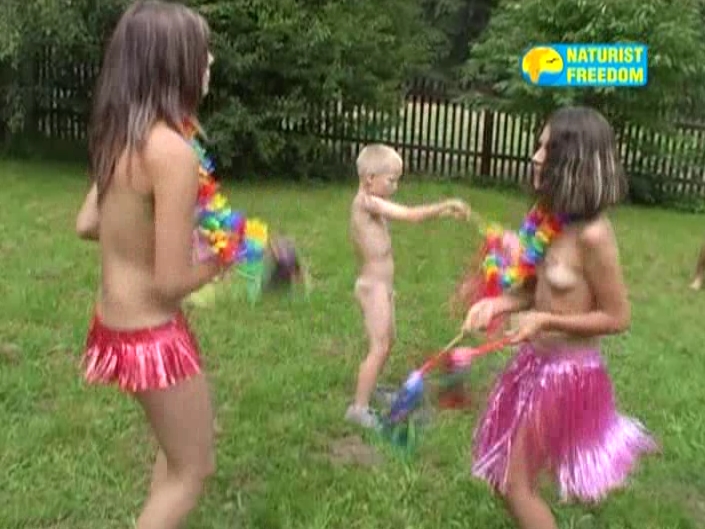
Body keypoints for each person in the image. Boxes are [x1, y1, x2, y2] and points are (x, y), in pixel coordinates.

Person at [462, 107, 658, 529]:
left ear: (575, 161)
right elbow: (537, 291)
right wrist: (500, 305)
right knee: (503, 476)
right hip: (534, 363)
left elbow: (617, 317)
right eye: (538, 146)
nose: (535, 157)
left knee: (516, 485)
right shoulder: (550, 221)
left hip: (568, 375)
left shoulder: (593, 235)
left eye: (547, 150)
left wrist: (545, 322)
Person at [77, 2, 220, 528]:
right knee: (193, 471)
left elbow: (86, 223)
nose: (210, 63)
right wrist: (223, 258)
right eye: (203, 54)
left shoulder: (119, 137)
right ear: (173, 64)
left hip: (114, 324)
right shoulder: (172, 152)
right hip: (152, 337)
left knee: (175, 453)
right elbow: (170, 282)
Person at [346, 143, 471, 428]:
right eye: (391, 180)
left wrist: (443, 213)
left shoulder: (373, 202)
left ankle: (371, 388)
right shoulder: (365, 201)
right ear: (370, 179)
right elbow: (409, 215)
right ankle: (358, 408)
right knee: (379, 346)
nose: (396, 186)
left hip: (383, 286)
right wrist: (444, 206)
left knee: (388, 341)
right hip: (372, 287)